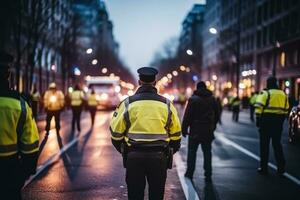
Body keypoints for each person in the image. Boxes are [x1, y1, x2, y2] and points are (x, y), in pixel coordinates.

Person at [110, 67, 181, 200]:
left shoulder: (128, 103)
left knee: (135, 195)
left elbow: (115, 134)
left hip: (134, 156)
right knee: (156, 195)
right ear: (155, 82)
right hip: (159, 158)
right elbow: (176, 135)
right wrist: (168, 150)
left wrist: (124, 150)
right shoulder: (167, 104)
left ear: (139, 82)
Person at [0, 52, 39, 199]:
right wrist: (23, 173)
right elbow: (31, 145)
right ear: (8, 75)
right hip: (9, 170)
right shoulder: (20, 104)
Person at [182, 81, 219, 182]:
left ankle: (190, 173)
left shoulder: (193, 99)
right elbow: (217, 113)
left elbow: (187, 115)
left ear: (197, 88)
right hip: (207, 130)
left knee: (192, 152)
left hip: (195, 130)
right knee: (207, 152)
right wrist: (213, 125)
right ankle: (208, 173)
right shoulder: (212, 99)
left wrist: (184, 129)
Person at [255, 77, 289, 175]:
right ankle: (281, 168)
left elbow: (258, 107)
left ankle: (264, 168)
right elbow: (286, 108)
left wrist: (258, 119)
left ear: (268, 83)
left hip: (266, 122)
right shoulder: (283, 94)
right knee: (277, 144)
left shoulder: (266, 93)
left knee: (264, 145)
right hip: (278, 122)